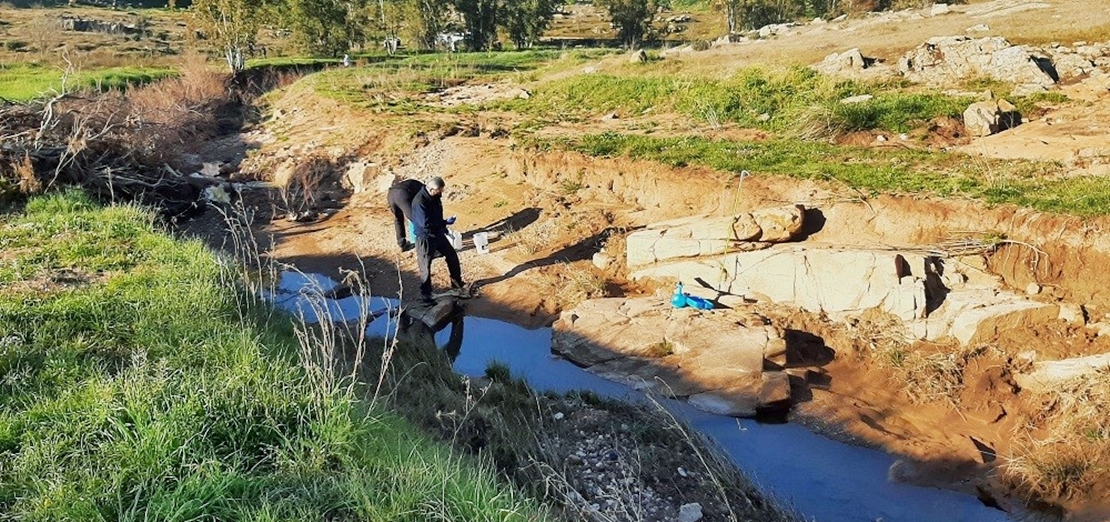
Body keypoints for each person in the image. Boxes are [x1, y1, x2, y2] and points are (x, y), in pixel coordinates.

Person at [411, 176, 464, 304]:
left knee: (451, 255)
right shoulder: (419, 202)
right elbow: (425, 223)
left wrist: (443, 227)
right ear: (432, 189)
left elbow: (437, 213)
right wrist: (444, 223)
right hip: (425, 237)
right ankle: (426, 294)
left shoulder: (435, 197)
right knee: (425, 266)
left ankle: (457, 284)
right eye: (439, 191)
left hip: (437, 234)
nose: (441, 193)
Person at [387, 178, 424, 252]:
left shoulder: (416, 185)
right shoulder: (424, 190)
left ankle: (402, 244)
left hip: (391, 194)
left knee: (398, 219)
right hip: (402, 195)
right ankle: (424, 247)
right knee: (416, 220)